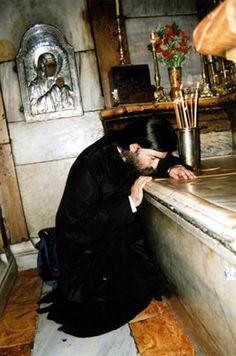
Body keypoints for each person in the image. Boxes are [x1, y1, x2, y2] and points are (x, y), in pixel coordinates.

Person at [39, 117, 195, 337]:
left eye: (160, 159)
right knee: (127, 297)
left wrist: (172, 167)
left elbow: (158, 158)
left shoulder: (132, 150)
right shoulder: (90, 165)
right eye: (153, 158)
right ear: (134, 147)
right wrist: (129, 202)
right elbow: (80, 225)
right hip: (85, 251)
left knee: (149, 277)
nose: (155, 165)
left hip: (115, 238)